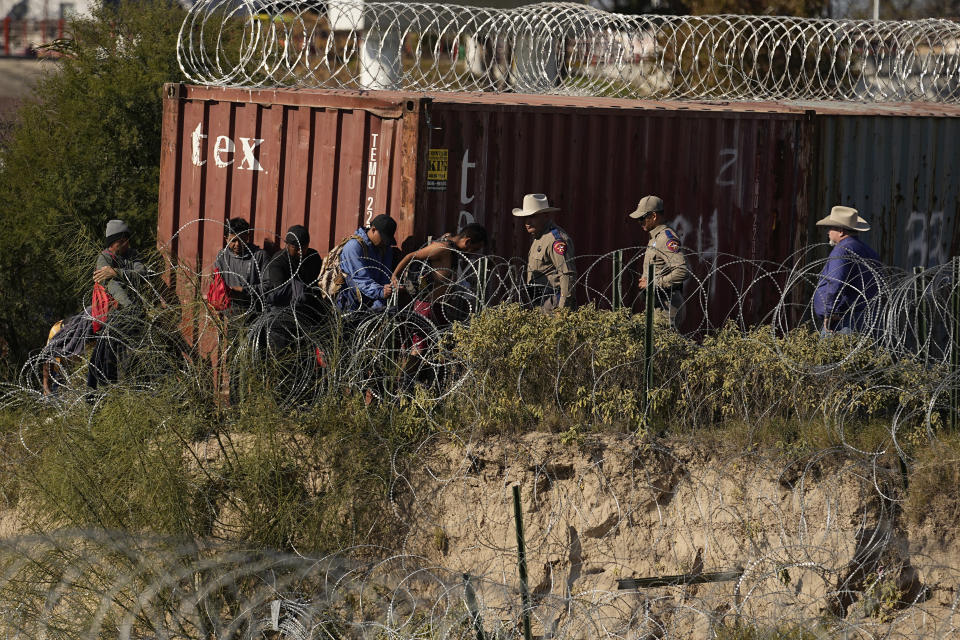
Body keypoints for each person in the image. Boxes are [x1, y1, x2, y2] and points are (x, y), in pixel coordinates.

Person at [391, 223, 488, 353]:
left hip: (438, 307)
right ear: (468, 241)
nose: (472, 254)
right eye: (474, 249)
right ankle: (404, 374)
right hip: (425, 307)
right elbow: (410, 256)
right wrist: (395, 277)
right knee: (418, 351)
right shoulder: (443, 249)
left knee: (435, 350)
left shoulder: (452, 249)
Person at [87, 219, 147, 389]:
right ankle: (101, 392)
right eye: (124, 240)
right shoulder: (104, 259)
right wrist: (128, 306)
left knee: (134, 354)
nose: (128, 244)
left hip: (133, 313)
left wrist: (116, 272)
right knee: (104, 353)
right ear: (116, 242)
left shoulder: (132, 255)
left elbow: (142, 274)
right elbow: (112, 286)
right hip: (116, 314)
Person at [812, 205, 882, 335]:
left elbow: (835, 281)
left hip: (843, 321)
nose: (828, 232)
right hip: (866, 316)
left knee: (831, 354)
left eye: (830, 228)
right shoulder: (869, 251)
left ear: (840, 231)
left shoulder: (842, 250)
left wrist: (829, 312)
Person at [629, 195, 690, 327]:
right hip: (657, 304)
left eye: (642, 218)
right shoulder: (655, 238)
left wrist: (653, 283)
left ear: (654, 216)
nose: (640, 222)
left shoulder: (666, 239)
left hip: (667, 307)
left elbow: (682, 270)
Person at [512, 193, 576, 311]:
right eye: (526, 217)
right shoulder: (539, 236)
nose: (527, 222)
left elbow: (567, 274)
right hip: (540, 302)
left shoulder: (555, 240)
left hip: (553, 303)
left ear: (546, 215)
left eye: (533, 216)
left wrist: (562, 310)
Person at [336, 214, 397, 312]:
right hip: (350, 304)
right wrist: (381, 292)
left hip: (372, 303)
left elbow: (386, 278)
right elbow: (360, 279)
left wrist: (378, 306)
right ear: (373, 230)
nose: (385, 243)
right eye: (383, 238)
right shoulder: (354, 247)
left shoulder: (385, 248)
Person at [212, 217, 268, 311]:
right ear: (226, 239)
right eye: (233, 240)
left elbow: (268, 286)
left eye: (241, 240)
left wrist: (242, 290)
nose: (237, 244)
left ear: (247, 237)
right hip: (229, 311)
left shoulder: (259, 256)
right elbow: (217, 284)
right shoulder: (222, 256)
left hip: (254, 312)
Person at [261, 224, 323, 309]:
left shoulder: (313, 257)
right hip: (286, 309)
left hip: (311, 308)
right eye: (296, 248)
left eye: (304, 248)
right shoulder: (278, 262)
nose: (300, 252)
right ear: (287, 245)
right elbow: (281, 292)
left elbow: (320, 284)